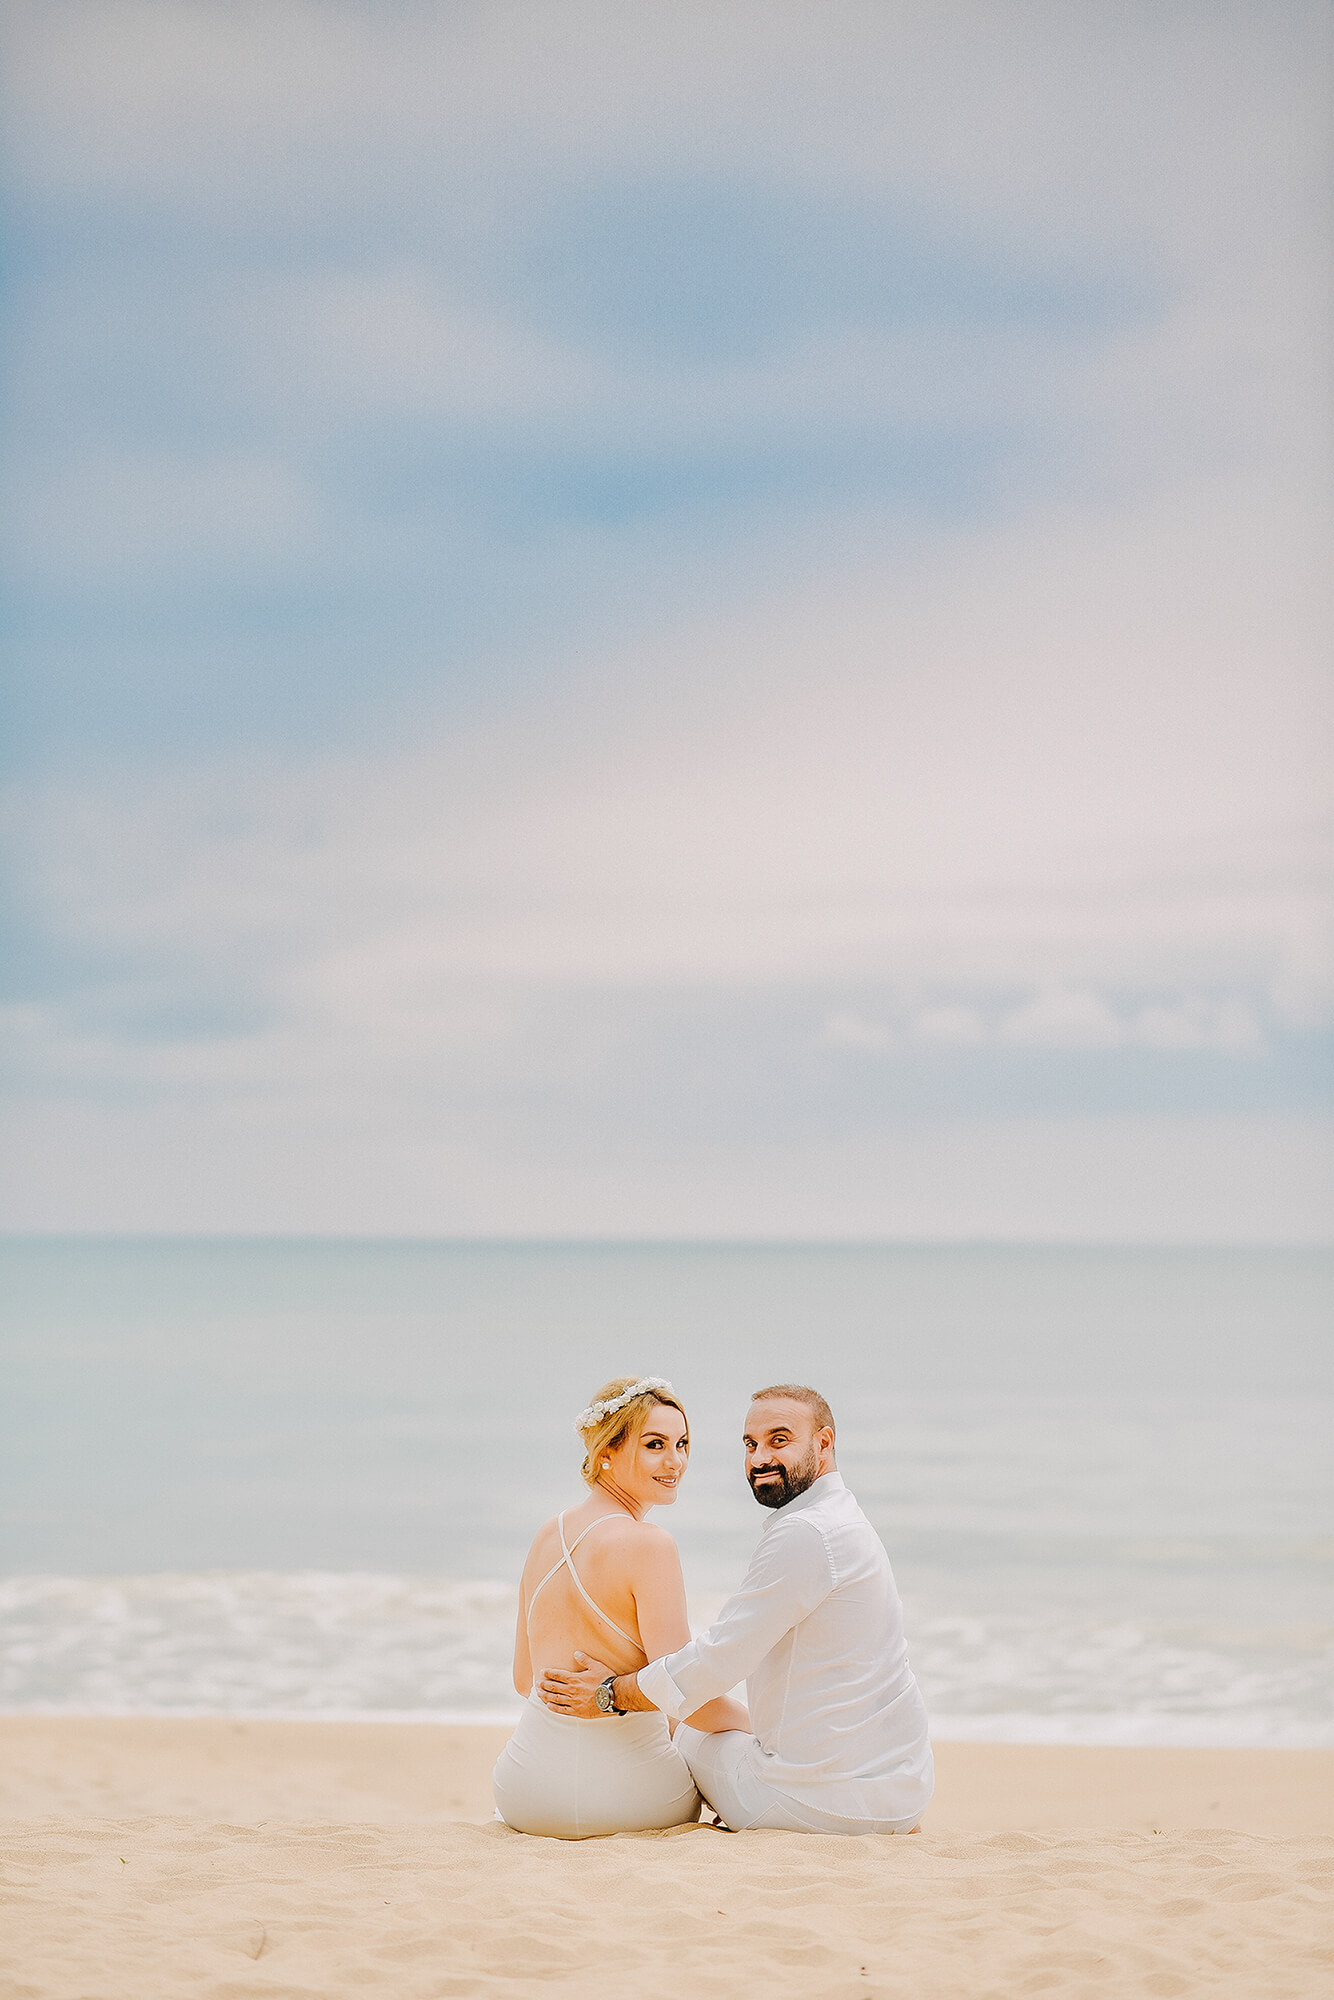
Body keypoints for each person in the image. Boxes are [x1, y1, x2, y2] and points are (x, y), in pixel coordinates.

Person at [540, 1383, 933, 1835]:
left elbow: (714, 1662)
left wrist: (610, 1693)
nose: (760, 1458)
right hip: (902, 1794)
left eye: (779, 1440)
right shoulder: (847, 1520)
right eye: (750, 1444)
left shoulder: (806, 1532)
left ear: (824, 1444)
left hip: (816, 1805)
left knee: (687, 1731)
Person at [492, 1374, 748, 1838]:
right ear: (606, 1453)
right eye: (655, 1445)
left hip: (523, 1793)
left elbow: (523, 1679)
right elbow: (689, 1700)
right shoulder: (650, 1545)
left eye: (683, 1444)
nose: (676, 1462)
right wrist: (770, 1726)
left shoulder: (548, 1533)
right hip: (633, 1799)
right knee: (721, 1741)